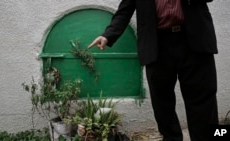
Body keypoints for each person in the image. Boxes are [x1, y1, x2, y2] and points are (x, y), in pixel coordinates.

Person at [88, 0, 218, 141]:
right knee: (162, 103)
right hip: (157, 45)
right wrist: (108, 35)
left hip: (194, 40)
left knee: (203, 101)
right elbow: (124, 10)